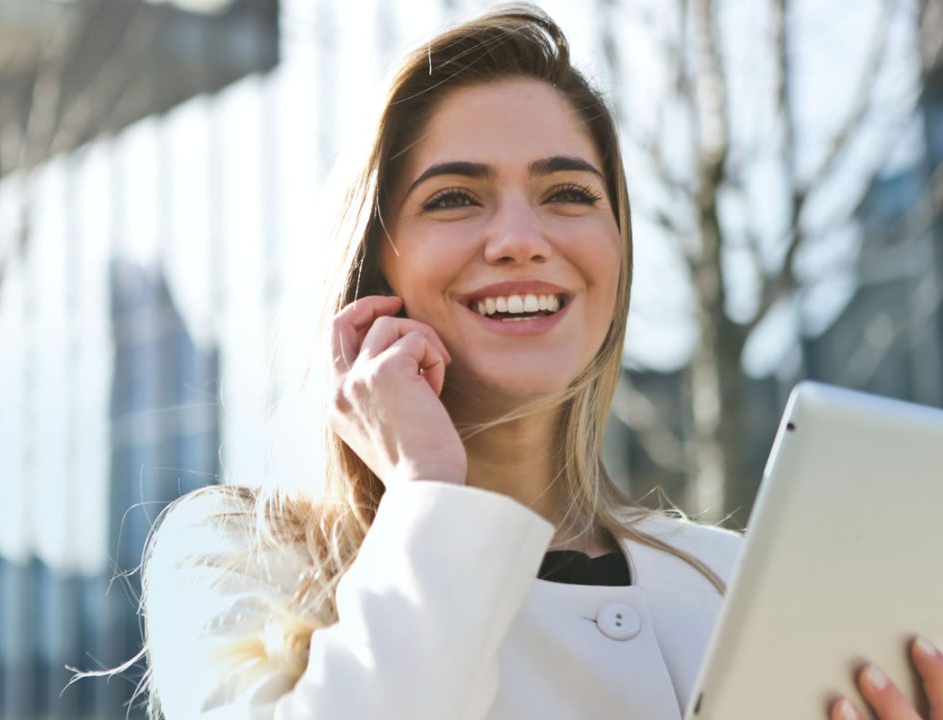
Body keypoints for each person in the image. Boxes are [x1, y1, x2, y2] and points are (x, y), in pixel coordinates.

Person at [140, 5, 943, 719]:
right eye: (454, 197)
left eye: (569, 194)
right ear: (375, 266)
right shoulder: (236, 559)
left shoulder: (736, 585)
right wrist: (426, 490)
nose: (522, 238)